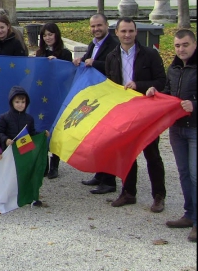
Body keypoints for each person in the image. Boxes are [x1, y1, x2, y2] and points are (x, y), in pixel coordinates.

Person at [105, 17, 167, 212]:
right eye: (123, 31)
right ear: (117, 33)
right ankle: (128, 192)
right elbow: (110, 84)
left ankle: (158, 195)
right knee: (126, 154)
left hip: (146, 112)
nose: (127, 35)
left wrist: (139, 86)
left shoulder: (150, 54)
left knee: (152, 155)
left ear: (136, 31)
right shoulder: (111, 56)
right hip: (124, 112)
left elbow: (161, 81)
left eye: (130, 31)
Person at [147, 29, 197, 242]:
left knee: (196, 175)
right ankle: (189, 214)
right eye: (177, 46)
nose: (181, 49)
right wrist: (155, 94)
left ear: (194, 44)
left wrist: (194, 105)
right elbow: (167, 92)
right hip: (177, 129)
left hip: (195, 128)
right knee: (184, 173)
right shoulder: (174, 67)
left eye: (185, 45)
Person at [73, 14, 121, 194]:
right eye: (93, 26)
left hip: (109, 95)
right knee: (98, 137)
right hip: (97, 96)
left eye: (99, 25)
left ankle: (109, 181)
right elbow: (87, 59)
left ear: (107, 25)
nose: (96, 29)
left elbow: (114, 65)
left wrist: (96, 63)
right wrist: (80, 60)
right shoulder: (94, 43)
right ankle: (100, 174)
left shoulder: (113, 44)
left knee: (108, 139)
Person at [0, 86, 45, 205]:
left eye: (23, 102)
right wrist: (5, 139)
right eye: (17, 102)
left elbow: (32, 134)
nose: (20, 105)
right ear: (11, 102)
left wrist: (42, 135)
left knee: (25, 174)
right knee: (8, 175)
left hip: (24, 152)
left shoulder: (29, 119)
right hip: (9, 152)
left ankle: (28, 196)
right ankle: (7, 197)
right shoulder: (4, 117)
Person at [35, 22, 71, 179]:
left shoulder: (65, 53)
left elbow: (67, 74)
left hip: (57, 95)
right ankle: (44, 163)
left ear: (56, 35)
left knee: (56, 128)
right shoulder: (39, 53)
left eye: (50, 34)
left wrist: (55, 64)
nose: (47, 37)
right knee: (43, 128)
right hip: (43, 96)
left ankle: (55, 163)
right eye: (44, 35)